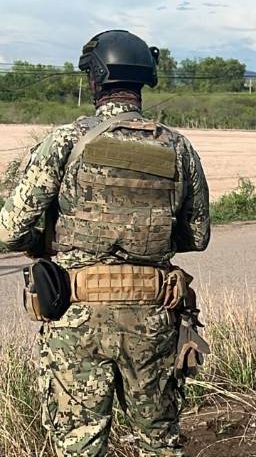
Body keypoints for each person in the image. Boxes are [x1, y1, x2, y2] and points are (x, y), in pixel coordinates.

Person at [0, 30, 211, 456]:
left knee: (79, 446)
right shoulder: (179, 148)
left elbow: (8, 231)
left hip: (76, 316)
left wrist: (43, 242)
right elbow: (197, 235)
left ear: (96, 79)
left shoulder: (64, 141)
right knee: (159, 443)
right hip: (154, 317)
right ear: (142, 80)